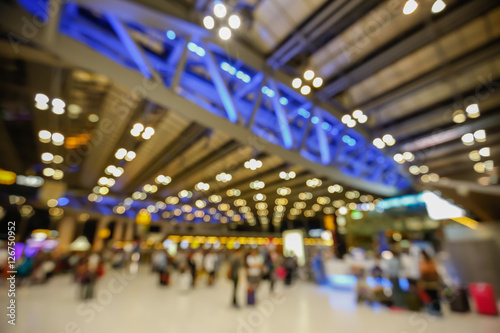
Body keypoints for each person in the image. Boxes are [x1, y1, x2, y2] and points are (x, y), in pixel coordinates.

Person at [419, 251, 442, 316]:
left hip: (429, 283)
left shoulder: (425, 263)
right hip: (431, 283)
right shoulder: (431, 262)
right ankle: (435, 310)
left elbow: (423, 272)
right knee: (433, 297)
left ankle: (435, 310)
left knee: (432, 297)